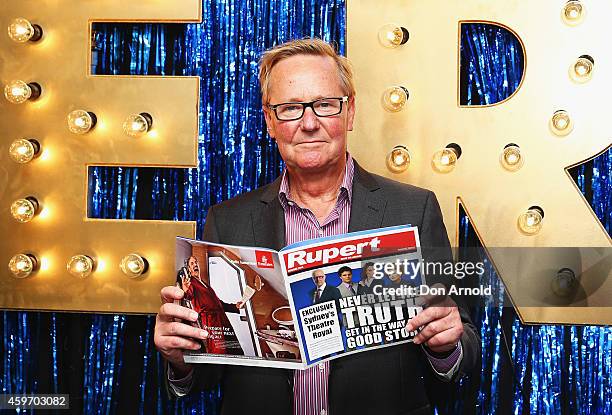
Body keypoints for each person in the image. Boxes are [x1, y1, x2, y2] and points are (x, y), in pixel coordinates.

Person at [154, 38, 480, 415]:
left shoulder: (414, 209)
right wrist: (181, 357)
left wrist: (446, 344)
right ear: (269, 121)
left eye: (325, 105)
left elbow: (463, 344)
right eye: (290, 108)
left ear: (350, 112)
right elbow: (209, 372)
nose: (309, 124)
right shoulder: (228, 221)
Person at [177, 255, 244, 355]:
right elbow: (188, 297)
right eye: (192, 263)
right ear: (188, 269)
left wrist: (235, 306)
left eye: (196, 262)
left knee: (233, 350)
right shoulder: (191, 284)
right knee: (220, 352)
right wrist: (185, 291)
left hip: (222, 321)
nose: (195, 265)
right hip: (210, 322)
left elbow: (218, 303)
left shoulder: (205, 284)